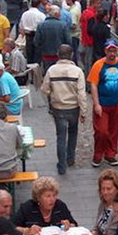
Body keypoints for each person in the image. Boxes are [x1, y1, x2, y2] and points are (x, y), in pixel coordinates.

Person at [40, 44, 87, 174]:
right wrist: (84, 111)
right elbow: (81, 94)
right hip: (73, 107)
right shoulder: (77, 71)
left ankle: (61, 166)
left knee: (61, 136)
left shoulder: (51, 70)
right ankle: (70, 158)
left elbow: (45, 89)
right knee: (73, 133)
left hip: (58, 107)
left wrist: (52, 92)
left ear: (58, 55)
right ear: (71, 55)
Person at [87, 38, 118, 168]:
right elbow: (94, 85)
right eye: (109, 51)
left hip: (116, 104)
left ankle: (110, 154)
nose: (112, 53)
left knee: (114, 130)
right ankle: (98, 154)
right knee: (101, 131)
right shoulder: (98, 65)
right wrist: (96, 104)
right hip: (103, 103)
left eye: (114, 50)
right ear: (105, 51)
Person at [12, 177, 78, 235]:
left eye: (54, 195)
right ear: (38, 197)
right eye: (48, 196)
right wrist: (26, 231)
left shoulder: (60, 206)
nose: (52, 199)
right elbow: (11, 227)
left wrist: (69, 225)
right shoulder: (27, 208)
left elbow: (74, 225)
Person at [34, 5, 70, 73]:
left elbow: (36, 41)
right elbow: (68, 41)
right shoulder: (63, 25)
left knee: (48, 73)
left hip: (46, 54)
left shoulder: (41, 25)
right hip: (60, 55)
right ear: (57, 14)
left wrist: (42, 48)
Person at [90, 169, 118, 235]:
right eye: (103, 189)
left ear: (117, 189)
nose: (105, 192)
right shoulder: (103, 204)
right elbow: (97, 228)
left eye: (109, 189)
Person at [19, 0, 46, 64]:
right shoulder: (41, 15)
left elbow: (21, 27)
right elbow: (43, 27)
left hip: (28, 36)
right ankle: (36, 70)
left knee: (29, 55)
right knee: (37, 55)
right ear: (39, 4)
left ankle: (29, 70)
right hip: (38, 36)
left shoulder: (25, 14)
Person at [79, 0, 101, 75]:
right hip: (89, 41)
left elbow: (81, 23)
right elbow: (91, 30)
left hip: (84, 39)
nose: (99, 5)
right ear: (93, 3)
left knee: (85, 61)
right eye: (98, 3)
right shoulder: (92, 14)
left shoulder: (85, 12)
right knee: (88, 62)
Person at [65, 0, 81, 64]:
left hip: (73, 35)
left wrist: (65, 26)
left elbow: (74, 25)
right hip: (76, 35)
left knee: (73, 54)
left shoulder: (73, 12)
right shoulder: (75, 8)